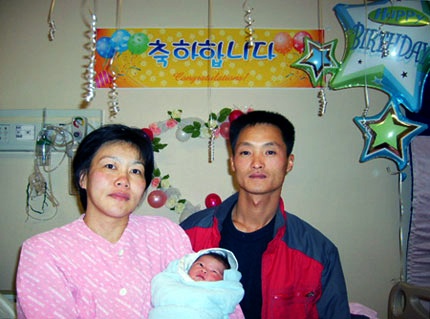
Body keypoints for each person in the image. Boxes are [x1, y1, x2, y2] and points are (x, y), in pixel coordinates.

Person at [180, 110, 351, 319]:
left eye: (270, 152)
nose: (257, 163)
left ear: (289, 162)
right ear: (233, 163)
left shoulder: (318, 253)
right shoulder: (189, 234)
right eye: (246, 152)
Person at [15, 124, 194, 319]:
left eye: (135, 171)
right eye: (110, 166)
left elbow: (207, 298)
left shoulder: (165, 234)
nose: (123, 180)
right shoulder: (44, 252)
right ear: (83, 179)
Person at [149, 248, 244, 319]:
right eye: (200, 265)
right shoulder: (175, 280)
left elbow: (231, 296)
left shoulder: (220, 291)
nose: (204, 270)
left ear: (223, 280)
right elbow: (161, 287)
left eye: (214, 271)